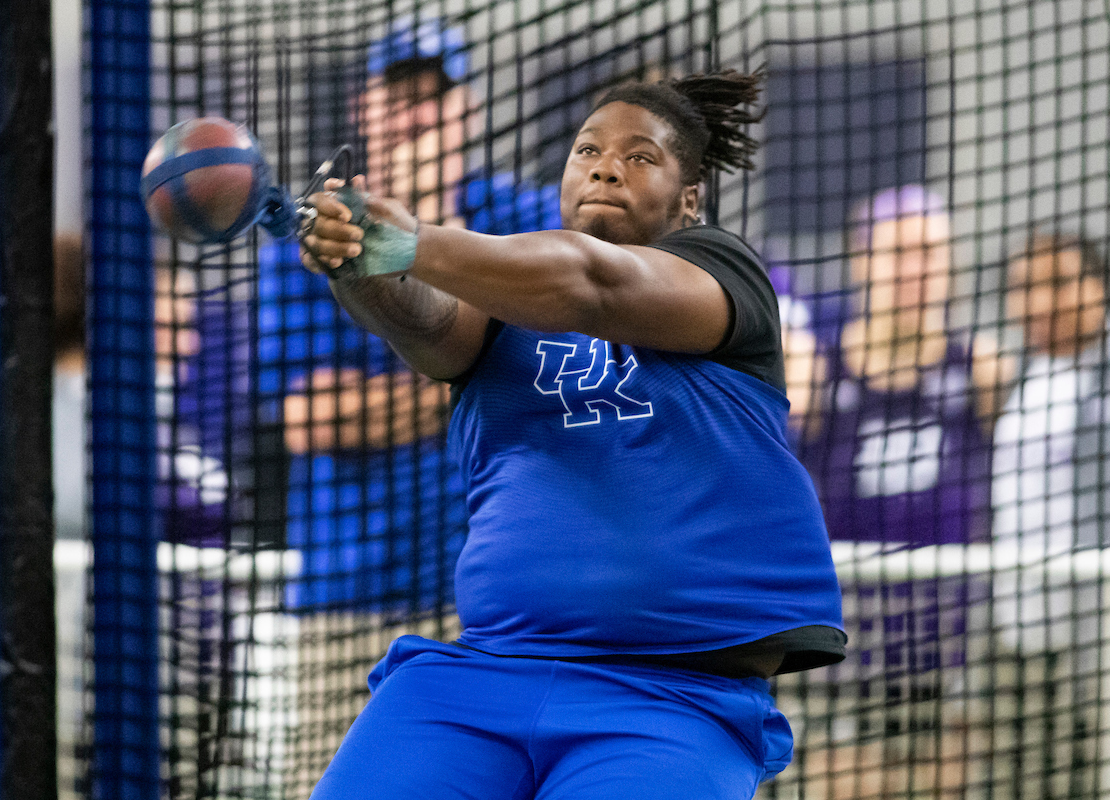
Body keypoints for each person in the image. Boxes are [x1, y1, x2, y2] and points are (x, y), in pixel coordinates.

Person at [296, 69, 845, 800]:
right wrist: (357, 261)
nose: (605, 165)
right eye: (587, 150)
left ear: (690, 200)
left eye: (640, 156)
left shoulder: (724, 273)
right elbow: (425, 325)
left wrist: (414, 241)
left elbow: (591, 284)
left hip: (669, 699)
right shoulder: (504, 295)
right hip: (479, 681)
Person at [257, 18, 564, 791]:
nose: (421, 113)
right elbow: (310, 419)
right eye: (402, 97)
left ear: (468, 110)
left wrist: (433, 377)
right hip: (348, 601)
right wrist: (476, 374)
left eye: (438, 96)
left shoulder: (517, 216)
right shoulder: (320, 235)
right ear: (367, 110)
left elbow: (553, 370)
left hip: (504, 605)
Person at [794, 186, 1013, 799]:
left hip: (946, 643)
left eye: (931, 253)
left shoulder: (982, 370)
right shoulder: (815, 370)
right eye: (900, 252)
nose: (916, 269)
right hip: (848, 644)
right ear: (862, 261)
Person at [991, 232, 1110, 799]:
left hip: (1099, 628)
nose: (1039, 303)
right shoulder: (1010, 377)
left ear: (1100, 289)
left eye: (1058, 283)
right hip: (1018, 626)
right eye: (1024, 288)